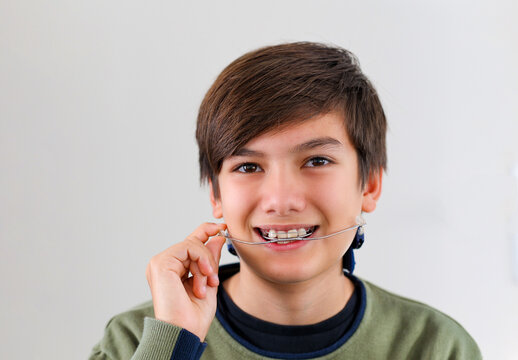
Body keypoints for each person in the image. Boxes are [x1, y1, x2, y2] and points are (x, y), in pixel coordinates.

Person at [89, 42, 481, 359]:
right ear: (216, 194)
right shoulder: (134, 344)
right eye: (247, 167)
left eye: (317, 161)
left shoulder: (435, 347)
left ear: (370, 186)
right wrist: (174, 343)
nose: (281, 200)